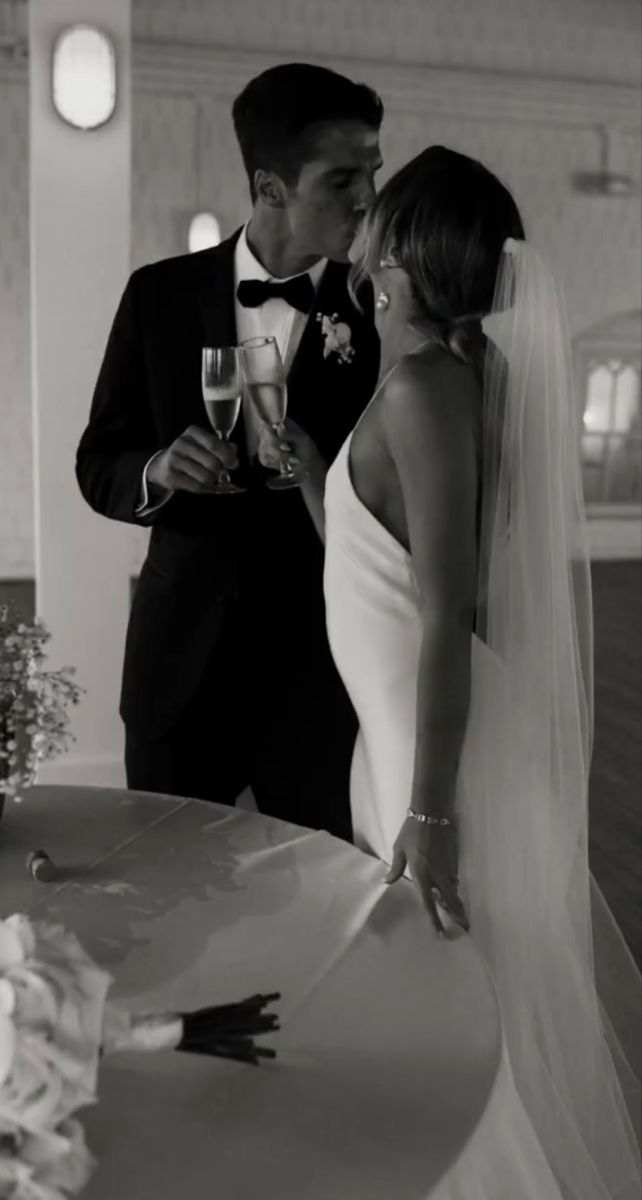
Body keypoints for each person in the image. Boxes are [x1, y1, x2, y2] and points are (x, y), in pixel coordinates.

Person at [262, 146, 641, 1198]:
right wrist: (312, 478)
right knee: (450, 1001)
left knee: (467, 1007)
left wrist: (429, 812)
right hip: (408, 734)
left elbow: (442, 613)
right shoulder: (453, 375)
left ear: (399, 250)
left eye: (377, 217)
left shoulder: (429, 386)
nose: (363, 231)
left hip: (438, 752)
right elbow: (379, 563)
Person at [75, 64, 383, 841]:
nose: (367, 199)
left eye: (372, 174)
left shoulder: (377, 310)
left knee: (318, 912)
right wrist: (156, 469)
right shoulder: (159, 296)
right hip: (177, 673)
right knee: (166, 901)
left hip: (319, 676)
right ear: (269, 186)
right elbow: (98, 460)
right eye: (343, 178)